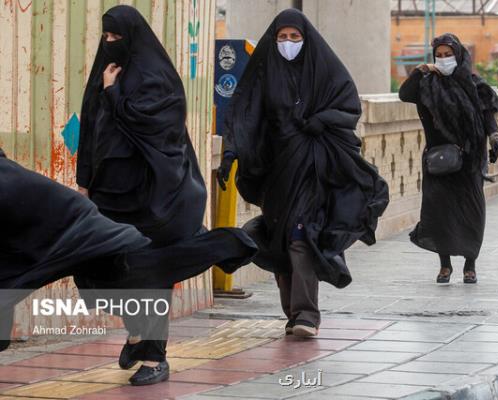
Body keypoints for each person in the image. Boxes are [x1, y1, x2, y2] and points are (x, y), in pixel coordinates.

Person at [76, 5, 249, 385]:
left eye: (116, 37)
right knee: (96, 267)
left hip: (151, 196)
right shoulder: (103, 74)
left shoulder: (156, 78)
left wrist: (115, 94)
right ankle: (137, 333)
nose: (110, 44)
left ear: (134, 38)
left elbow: (157, 128)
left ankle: (154, 357)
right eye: (105, 37)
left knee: (150, 270)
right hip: (107, 195)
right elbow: (89, 129)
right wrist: (84, 180)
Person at [217, 9, 389, 337]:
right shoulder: (265, 72)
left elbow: (350, 107)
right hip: (276, 172)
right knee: (280, 241)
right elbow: (244, 115)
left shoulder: (325, 70)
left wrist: (323, 119)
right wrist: (230, 154)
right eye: (281, 37)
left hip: (313, 167)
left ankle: (307, 315)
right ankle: (293, 314)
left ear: (306, 39)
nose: (288, 43)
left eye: (294, 37)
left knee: (300, 237)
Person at [0, 148, 256, 354]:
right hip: (46, 241)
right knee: (101, 284)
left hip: (82, 229)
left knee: (144, 266)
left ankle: (227, 243)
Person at [399, 33, 498, 285]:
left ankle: (470, 264)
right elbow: (405, 94)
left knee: (471, 212)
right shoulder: (427, 84)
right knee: (439, 212)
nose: (444, 60)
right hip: (439, 158)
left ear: (459, 55)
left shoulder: (476, 85)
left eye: (449, 55)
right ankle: (444, 266)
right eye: (439, 55)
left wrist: (495, 137)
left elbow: (487, 115)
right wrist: (420, 70)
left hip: (470, 160)